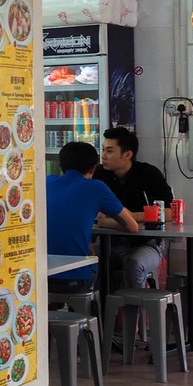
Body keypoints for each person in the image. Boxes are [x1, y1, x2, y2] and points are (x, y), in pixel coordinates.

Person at [45, 141, 138, 294]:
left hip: (42, 277)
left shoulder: (46, 182)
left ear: (61, 164)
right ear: (93, 168)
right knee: (101, 264)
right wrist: (105, 222)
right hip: (76, 279)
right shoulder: (96, 187)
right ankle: (100, 314)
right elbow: (132, 226)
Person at [93, 126, 173, 289]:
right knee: (88, 261)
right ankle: (98, 312)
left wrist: (130, 217)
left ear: (128, 154)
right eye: (103, 150)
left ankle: (135, 312)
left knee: (133, 263)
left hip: (146, 244)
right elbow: (96, 215)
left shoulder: (148, 173)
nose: (103, 156)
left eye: (109, 151)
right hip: (109, 242)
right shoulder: (99, 174)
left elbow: (168, 213)